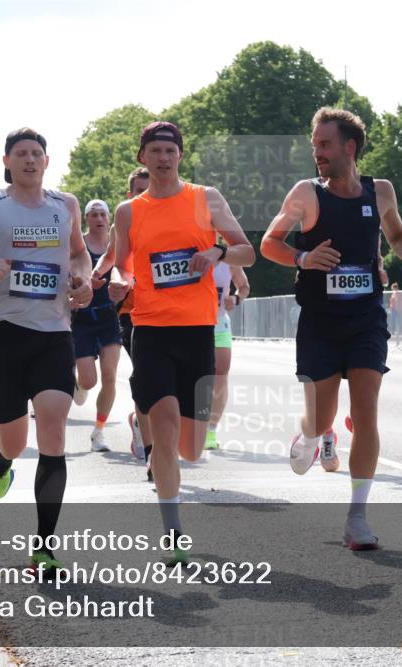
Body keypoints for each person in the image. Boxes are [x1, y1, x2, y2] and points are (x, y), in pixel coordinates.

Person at [260, 107, 402, 550]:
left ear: (349, 148)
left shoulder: (381, 192)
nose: (316, 153)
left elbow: (395, 235)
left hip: (366, 319)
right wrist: (303, 258)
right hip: (320, 320)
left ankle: (357, 516)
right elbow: (269, 243)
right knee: (321, 415)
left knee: (368, 409)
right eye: (315, 145)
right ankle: (315, 434)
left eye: (324, 144)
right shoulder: (306, 194)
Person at [0, 127, 94, 574]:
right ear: (7, 161)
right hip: (3, 333)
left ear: (47, 161)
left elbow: (80, 254)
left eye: (37, 153)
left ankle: (44, 547)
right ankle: (3, 459)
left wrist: (83, 280)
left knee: (53, 427)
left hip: (53, 334)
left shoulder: (65, 205)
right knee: (15, 438)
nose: (30, 160)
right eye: (21, 154)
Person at [108, 121, 255, 564]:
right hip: (150, 328)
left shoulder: (205, 199)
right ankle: (173, 533)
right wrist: (119, 284)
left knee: (191, 446)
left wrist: (218, 253)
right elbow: (121, 266)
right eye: (154, 150)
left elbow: (248, 250)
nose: (163, 158)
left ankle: (164, 458)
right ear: (143, 158)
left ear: (180, 155)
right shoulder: (129, 211)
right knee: (167, 424)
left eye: (170, 150)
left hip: (197, 331)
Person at [93, 167, 155, 475]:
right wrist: (97, 276)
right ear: (130, 194)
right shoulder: (124, 221)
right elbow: (110, 257)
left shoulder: (171, 214)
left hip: (171, 311)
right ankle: (152, 450)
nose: (148, 193)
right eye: (141, 190)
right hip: (133, 312)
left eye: (152, 187)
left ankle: (138, 421)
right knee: (147, 376)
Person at [71, 198, 124, 453]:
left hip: (107, 317)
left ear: (109, 217)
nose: (99, 219)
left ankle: (99, 431)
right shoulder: (78, 245)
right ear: (87, 219)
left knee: (110, 376)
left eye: (103, 214)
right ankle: (78, 384)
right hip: (81, 317)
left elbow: (126, 270)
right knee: (89, 382)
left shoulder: (117, 246)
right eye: (93, 215)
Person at [205, 259, 249, 451]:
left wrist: (236, 298)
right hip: (192, 325)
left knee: (221, 375)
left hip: (219, 324)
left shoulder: (230, 259)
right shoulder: (192, 252)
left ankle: (210, 430)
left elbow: (244, 286)